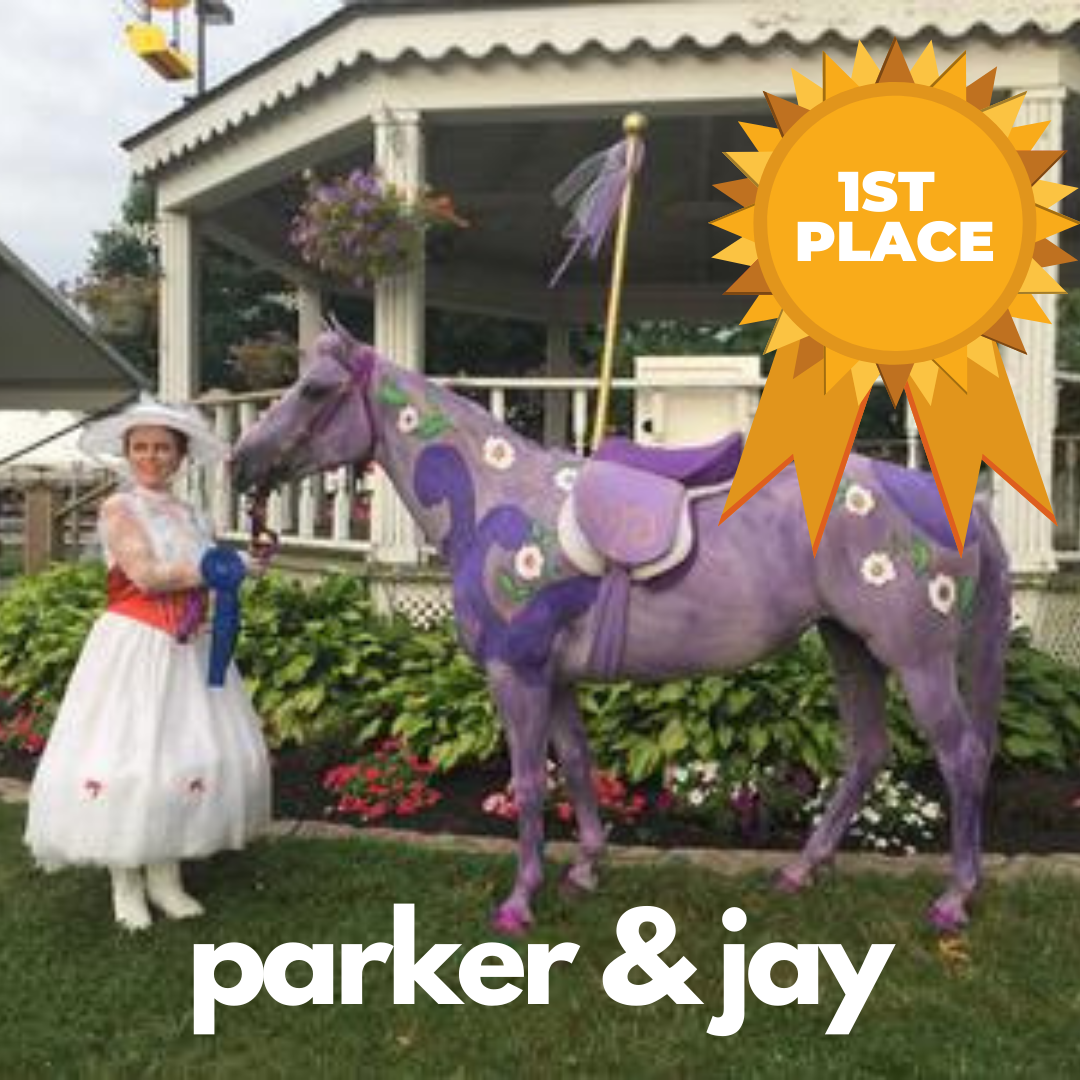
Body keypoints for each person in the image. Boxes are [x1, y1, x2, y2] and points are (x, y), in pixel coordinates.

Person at [24, 394, 272, 931]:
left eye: (163, 448)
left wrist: (236, 565)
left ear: (180, 456)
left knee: (178, 754)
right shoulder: (119, 509)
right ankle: (125, 880)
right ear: (128, 453)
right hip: (136, 644)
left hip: (187, 646)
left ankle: (166, 873)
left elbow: (202, 570)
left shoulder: (190, 513)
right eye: (141, 447)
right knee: (128, 753)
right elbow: (148, 575)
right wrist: (219, 565)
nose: (152, 457)